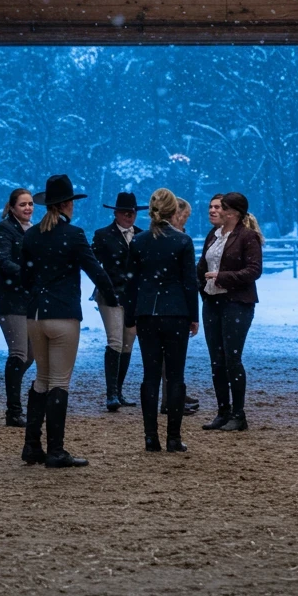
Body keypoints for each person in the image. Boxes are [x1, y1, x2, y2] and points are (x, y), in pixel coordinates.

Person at [19, 174, 118, 468]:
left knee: (41, 380)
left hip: (36, 315)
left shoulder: (31, 235)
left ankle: (31, 445)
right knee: (60, 382)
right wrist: (113, 297)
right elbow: (95, 271)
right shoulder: (73, 235)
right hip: (63, 314)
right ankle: (56, 450)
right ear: (65, 205)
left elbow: (25, 277)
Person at [126, 188, 198, 453]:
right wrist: (193, 315)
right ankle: (174, 437)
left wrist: (131, 315)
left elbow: (131, 283)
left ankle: (150, 437)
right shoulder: (181, 242)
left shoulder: (139, 241)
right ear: (173, 211)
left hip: (147, 313)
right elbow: (190, 282)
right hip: (176, 312)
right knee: (176, 376)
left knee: (150, 375)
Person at [197, 191, 262, 432]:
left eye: (220, 207)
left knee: (232, 358)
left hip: (237, 303)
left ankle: (239, 414)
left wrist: (222, 277)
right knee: (216, 360)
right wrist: (200, 287)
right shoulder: (213, 236)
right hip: (212, 302)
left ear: (232, 213)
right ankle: (222, 411)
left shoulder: (247, 237)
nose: (215, 211)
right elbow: (202, 266)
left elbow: (254, 271)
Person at [92, 190, 146, 411]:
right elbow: (93, 264)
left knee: (127, 343)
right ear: (115, 213)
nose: (129, 216)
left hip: (134, 295)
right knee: (115, 340)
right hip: (110, 293)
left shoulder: (143, 235)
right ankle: (111, 393)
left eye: (132, 212)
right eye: (124, 212)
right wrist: (107, 284)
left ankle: (119, 390)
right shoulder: (103, 235)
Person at [0, 188, 35, 427]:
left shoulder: (35, 230)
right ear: (12, 207)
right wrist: (30, 274)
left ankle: (13, 393)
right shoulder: (4, 229)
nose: (28, 208)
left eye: (30, 204)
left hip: (28, 299)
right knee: (19, 353)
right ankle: (13, 410)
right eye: (23, 204)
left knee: (30, 355)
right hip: (9, 298)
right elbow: (3, 262)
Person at [160, 198, 200, 417]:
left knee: (168, 359)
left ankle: (174, 395)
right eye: (183, 216)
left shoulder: (177, 239)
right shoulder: (178, 241)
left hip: (165, 305)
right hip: (174, 306)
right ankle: (171, 398)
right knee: (171, 358)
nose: (184, 220)